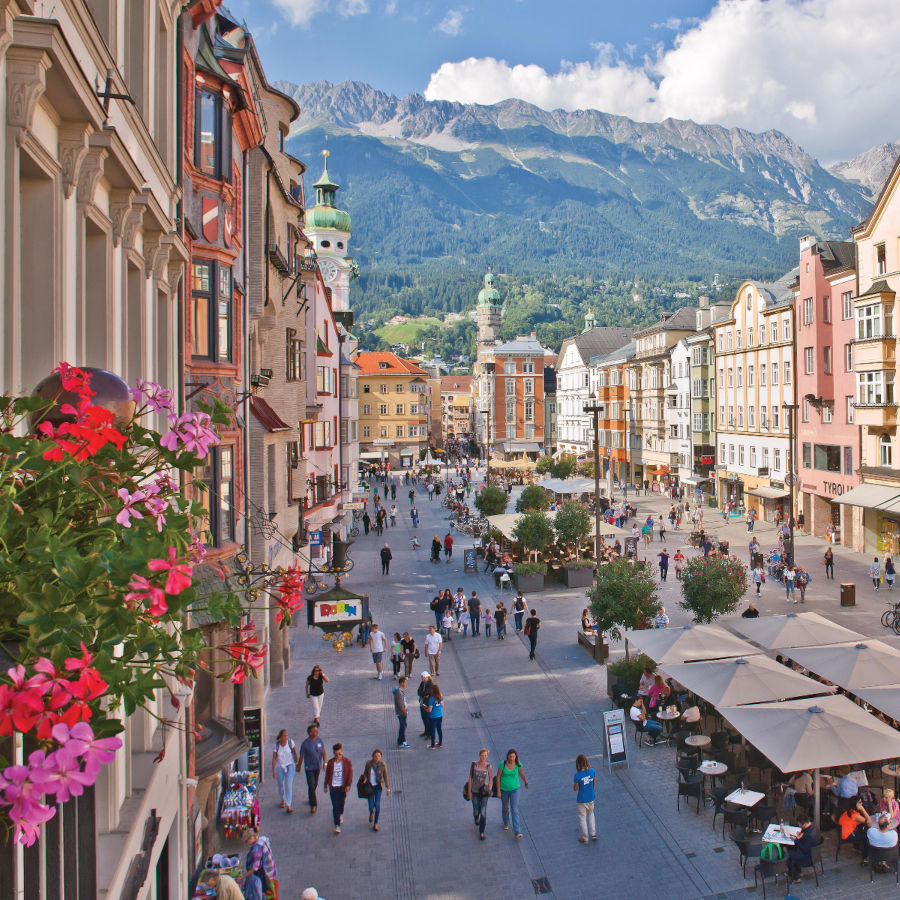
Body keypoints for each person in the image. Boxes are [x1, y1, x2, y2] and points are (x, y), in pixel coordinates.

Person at [498, 748, 529, 837]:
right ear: (508, 756)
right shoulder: (502, 764)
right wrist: (499, 790)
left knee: (514, 809)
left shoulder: (518, 764)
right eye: (511, 756)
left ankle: (517, 831)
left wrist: (525, 781)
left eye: (514, 757)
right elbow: (498, 777)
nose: (512, 758)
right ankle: (506, 821)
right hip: (504, 789)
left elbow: (521, 773)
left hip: (515, 789)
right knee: (505, 807)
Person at [323, 743, 352, 834]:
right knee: (335, 806)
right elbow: (327, 774)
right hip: (333, 787)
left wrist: (348, 785)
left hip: (342, 787)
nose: (338, 756)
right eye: (336, 754)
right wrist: (325, 785)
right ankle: (337, 825)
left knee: (341, 804)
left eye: (339, 754)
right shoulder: (331, 763)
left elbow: (350, 774)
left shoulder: (347, 761)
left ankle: (340, 814)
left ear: (342, 752)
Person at [299, 724, 326, 813]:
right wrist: (299, 765)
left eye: (317, 731)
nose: (316, 732)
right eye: (314, 731)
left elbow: (323, 752)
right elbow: (302, 755)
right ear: (310, 733)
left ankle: (311, 796)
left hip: (317, 766)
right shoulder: (305, 743)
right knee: (311, 785)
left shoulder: (319, 740)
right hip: (309, 767)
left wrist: (325, 763)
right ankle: (313, 805)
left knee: (314, 785)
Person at [467, 748, 493, 840]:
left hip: (483, 793)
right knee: (476, 811)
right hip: (474, 791)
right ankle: (475, 817)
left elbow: (490, 779)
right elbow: (470, 778)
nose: (484, 757)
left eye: (485, 755)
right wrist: (469, 792)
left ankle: (482, 831)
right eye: (482, 755)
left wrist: (489, 789)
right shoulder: (474, 764)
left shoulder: (489, 766)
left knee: (483, 813)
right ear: (479, 755)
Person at [786, 813, 820, 882]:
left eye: (799, 824)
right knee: (791, 848)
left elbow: (804, 849)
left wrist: (796, 840)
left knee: (788, 855)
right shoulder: (813, 825)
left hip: (809, 856)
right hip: (814, 851)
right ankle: (798, 871)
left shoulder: (809, 835)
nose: (799, 825)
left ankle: (796, 877)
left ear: (804, 824)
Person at [272, 729, 299, 814]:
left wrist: (297, 763)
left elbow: (295, 753)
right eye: (284, 736)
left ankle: (288, 804)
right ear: (280, 737)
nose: (285, 737)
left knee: (288, 784)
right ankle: (283, 798)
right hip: (280, 766)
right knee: (280, 784)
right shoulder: (276, 745)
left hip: (290, 765)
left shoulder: (290, 742)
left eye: (287, 735)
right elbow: (274, 758)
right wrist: (273, 770)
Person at [362, 749, 390, 831]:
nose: (377, 758)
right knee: (371, 805)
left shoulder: (383, 765)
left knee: (377, 806)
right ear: (373, 756)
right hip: (370, 787)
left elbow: (385, 777)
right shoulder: (369, 764)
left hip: (378, 787)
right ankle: (371, 812)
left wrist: (388, 788)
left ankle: (375, 823)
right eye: (375, 756)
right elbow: (365, 773)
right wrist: (365, 778)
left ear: (381, 757)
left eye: (379, 756)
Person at [573, 754, 598, 843]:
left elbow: (575, 789)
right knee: (591, 814)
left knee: (582, 817)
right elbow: (594, 782)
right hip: (591, 797)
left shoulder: (577, 775)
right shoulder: (592, 771)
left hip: (581, 800)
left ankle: (585, 838)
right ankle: (593, 833)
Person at [393, 676, 409, 748]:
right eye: (405, 682)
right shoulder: (399, 692)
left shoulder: (399, 690)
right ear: (402, 683)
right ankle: (403, 741)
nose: (406, 684)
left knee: (403, 726)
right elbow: (400, 704)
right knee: (403, 726)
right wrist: (404, 711)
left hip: (401, 712)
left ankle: (400, 740)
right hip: (401, 712)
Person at [417, 672, 434, 740]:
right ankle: (426, 731)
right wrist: (423, 695)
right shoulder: (422, 683)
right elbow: (419, 692)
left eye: (423, 677)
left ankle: (429, 733)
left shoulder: (430, 685)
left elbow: (428, 693)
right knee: (424, 718)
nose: (422, 679)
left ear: (426, 677)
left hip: (427, 704)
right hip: (422, 702)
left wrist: (423, 694)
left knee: (427, 719)